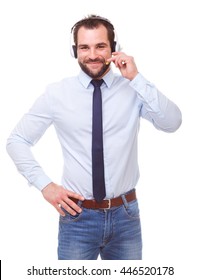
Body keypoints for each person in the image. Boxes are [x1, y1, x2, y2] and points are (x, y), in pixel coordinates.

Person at [6, 14, 182, 260]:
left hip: (126, 217)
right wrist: (45, 186)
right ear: (74, 51)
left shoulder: (132, 90)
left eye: (100, 46)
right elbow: (17, 141)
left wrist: (136, 78)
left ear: (114, 48)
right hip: (77, 217)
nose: (92, 55)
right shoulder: (57, 94)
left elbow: (172, 122)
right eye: (84, 47)